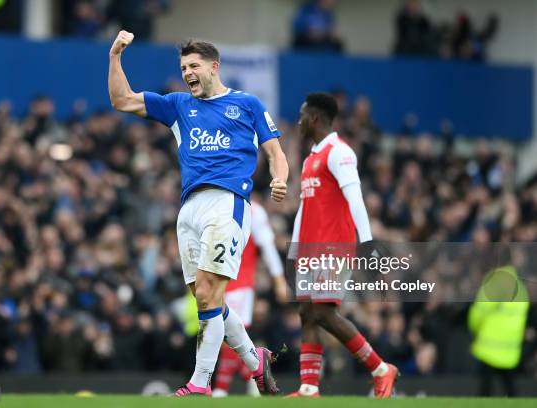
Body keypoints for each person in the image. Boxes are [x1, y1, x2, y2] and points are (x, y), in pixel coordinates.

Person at [108, 30, 289, 396]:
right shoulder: (178, 105)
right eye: (183, 67)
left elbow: (275, 152)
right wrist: (114, 57)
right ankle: (257, 361)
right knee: (205, 298)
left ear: (214, 67)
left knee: (209, 292)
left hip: (227, 203)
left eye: (194, 66)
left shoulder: (247, 105)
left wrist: (280, 179)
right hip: (188, 208)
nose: (188, 72)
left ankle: (200, 382)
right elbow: (122, 101)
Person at [287, 93, 398, 398]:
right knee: (307, 313)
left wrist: (368, 243)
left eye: (300, 116)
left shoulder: (339, 152)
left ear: (313, 119)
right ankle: (309, 388)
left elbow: (356, 198)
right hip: (310, 249)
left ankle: (380, 369)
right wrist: (294, 250)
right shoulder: (311, 158)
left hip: (333, 247)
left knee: (323, 313)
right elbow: (303, 207)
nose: (297, 122)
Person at [212, 201, 288, 397]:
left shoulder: (254, 210)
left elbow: (268, 246)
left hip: (240, 283)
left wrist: (278, 279)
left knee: (230, 333)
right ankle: (256, 378)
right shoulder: (217, 204)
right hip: (216, 281)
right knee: (222, 334)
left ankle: (221, 388)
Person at [468, 262, 529, 397]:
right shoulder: (520, 285)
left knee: (485, 390)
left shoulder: (494, 282)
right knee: (510, 389)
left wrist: (473, 330)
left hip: (488, 346)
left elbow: (479, 312)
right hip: (510, 350)